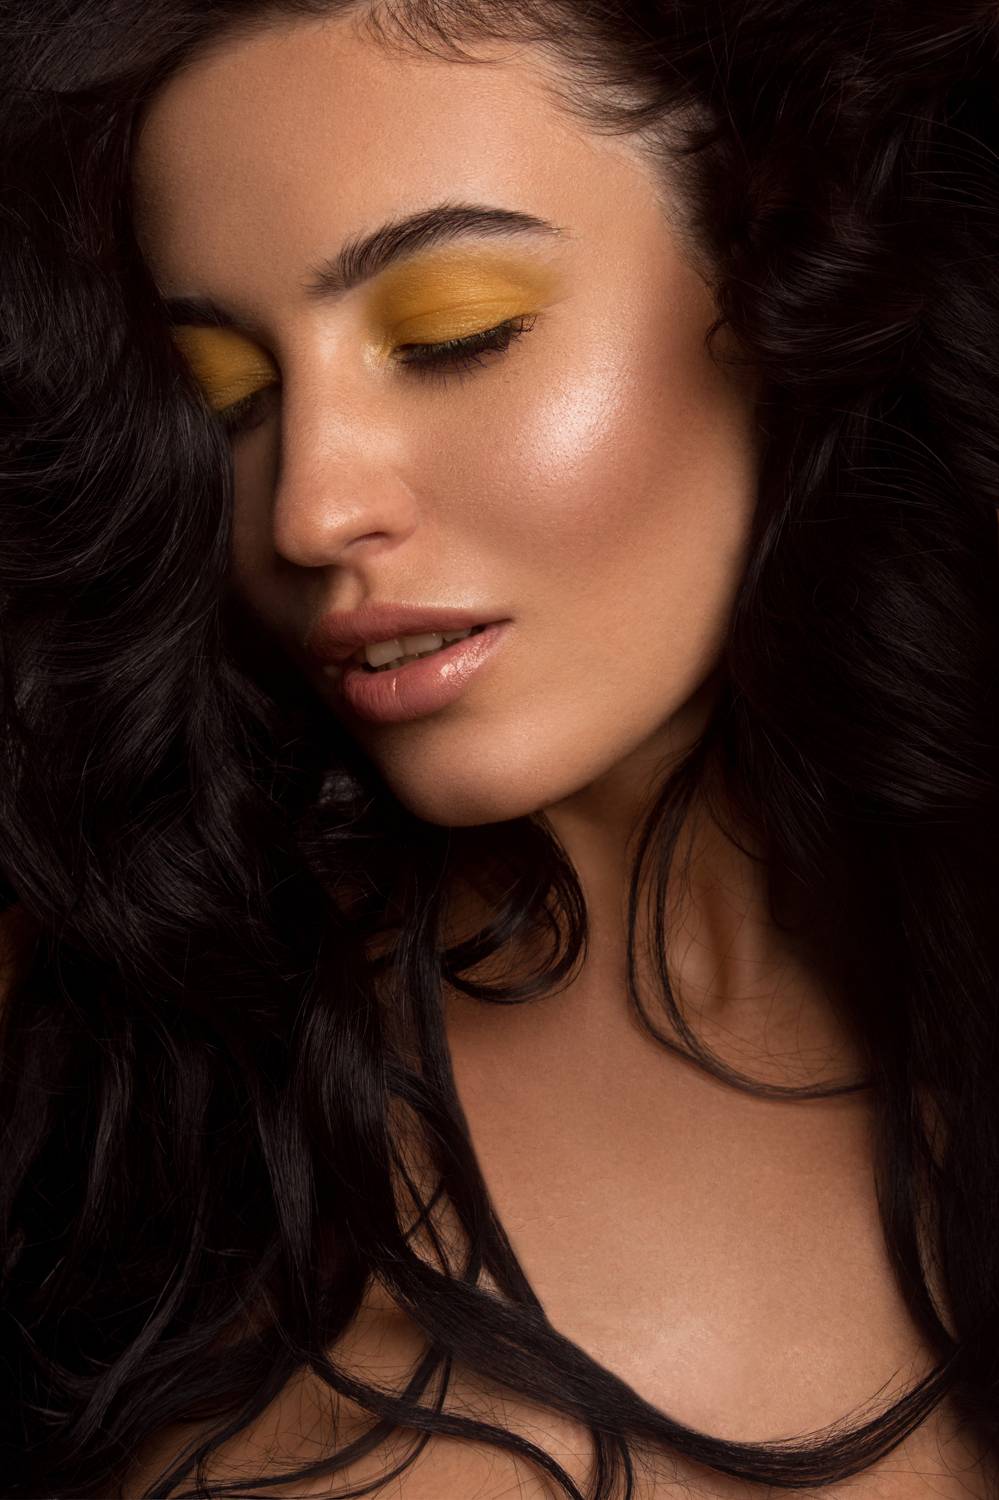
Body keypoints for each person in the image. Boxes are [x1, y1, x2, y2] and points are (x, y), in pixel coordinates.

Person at [2, 1, 998, 1496]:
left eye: (452, 334)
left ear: (786, 272)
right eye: (229, 401)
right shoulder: (115, 1075)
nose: (307, 511)